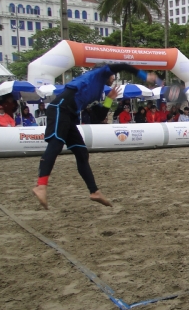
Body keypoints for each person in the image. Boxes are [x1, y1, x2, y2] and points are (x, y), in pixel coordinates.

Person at [32, 64, 159, 210]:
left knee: (81, 152)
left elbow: (99, 116)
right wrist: (145, 76)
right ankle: (41, 186)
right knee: (55, 144)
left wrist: (110, 99)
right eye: (113, 76)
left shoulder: (98, 91)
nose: (113, 78)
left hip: (69, 114)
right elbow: (123, 65)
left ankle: (94, 191)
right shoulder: (99, 73)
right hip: (60, 108)